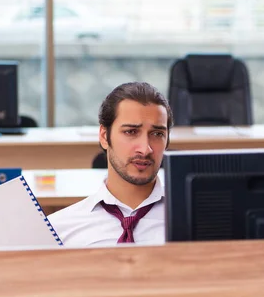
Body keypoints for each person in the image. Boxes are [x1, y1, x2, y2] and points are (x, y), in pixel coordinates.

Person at [48, 81, 173, 246]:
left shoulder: (190, 220)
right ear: (104, 136)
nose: (145, 149)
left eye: (157, 134)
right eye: (131, 132)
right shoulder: (58, 230)